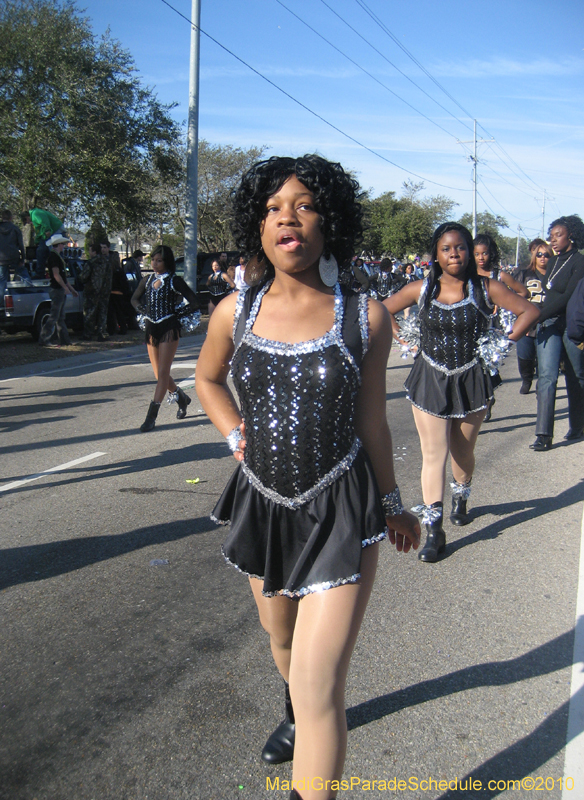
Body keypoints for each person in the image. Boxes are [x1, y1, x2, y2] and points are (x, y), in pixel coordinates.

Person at [195, 155, 420, 800]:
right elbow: (208, 380)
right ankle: (291, 711)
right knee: (282, 638)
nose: (285, 217)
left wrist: (395, 505)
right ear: (257, 228)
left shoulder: (365, 317)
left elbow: (373, 421)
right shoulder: (233, 313)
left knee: (322, 684)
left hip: (342, 511)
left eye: (302, 204)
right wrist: (236, 434)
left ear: (330, 222)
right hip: (263, 503)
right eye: (271, 208)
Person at [384, 222, 539, 562]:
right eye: (446, 249)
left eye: (460, 248)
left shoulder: (487, 288)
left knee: (462, 452)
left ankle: (462, 494)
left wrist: (503, 341)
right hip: (429, 378)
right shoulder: (421, 289)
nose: (454, 253)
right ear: (436, 255)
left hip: (472, 379)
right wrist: (404, 337)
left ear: (469, 252)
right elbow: (379, 309)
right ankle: (434, 530)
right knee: (433, 454)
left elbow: (530, 310)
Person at [529, 215, 584, 451]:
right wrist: (539, 316)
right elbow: (549, 295)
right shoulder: (552, 263)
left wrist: (537, 315)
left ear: (570, 235)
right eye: (551, 236)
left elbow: (567, 297)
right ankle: (543, 434)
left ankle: (578, 425)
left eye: (558, 235)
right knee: (547, 376)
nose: (553, 241)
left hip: (571, 324)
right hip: (549, 323)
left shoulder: (579, 262)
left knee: (576, 375)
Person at [131, 245, 199, 432]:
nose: (154, 263)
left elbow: (193, 301)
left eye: (159, 260)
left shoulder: (174, 280)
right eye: (153, 259)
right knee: (158, 374)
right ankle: (182, 397)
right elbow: (134, 299)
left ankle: (151, 416)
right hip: (152, 329)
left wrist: (178, 314)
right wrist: (142, 310)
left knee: (162, 373)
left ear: (166, 262)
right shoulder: (147, 279)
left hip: (169, 328)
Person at [473, 233, 529, 421]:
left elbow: (523, 292)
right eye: (477, 254)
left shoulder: (499, 275)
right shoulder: (467, 274)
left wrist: (505, 303)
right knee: (474, 369)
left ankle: (487, 400)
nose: (481, 258)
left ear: (492, 254)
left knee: (489, 368)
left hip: (493, 329)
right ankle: (482, 400)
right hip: (473, 327)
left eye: (485, 253)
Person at [514, 241, 553, 393]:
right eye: (539, 255)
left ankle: (541, 383)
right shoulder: (523, 273)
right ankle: (526, 378)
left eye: (546, 255)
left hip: (548, 321)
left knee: (544, 358)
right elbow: (513, 296)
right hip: (527, 322)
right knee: (525, 355)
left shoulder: (555, 274)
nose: (543, 258)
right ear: (534, 256)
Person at [38, 234, 79, 347]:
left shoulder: (58, 257)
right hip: (57, 289)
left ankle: (65, 340)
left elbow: (63, 277)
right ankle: (44, 338)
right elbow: (56, 275)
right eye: (63, 244)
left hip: (60, 288)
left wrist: (71, 289)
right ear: (59, 244)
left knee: (60, 317)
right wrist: (65, 288)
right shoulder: (53, 257)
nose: (64, 246)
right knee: (54, 316)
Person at [0, 210, 33, 301]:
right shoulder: (15, 228)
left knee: (2, 281)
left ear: (2, 218)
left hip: (0, 258)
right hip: (14, 257)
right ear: (11, 218)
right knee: (23, 274)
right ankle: (30, 292)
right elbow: (21, 245)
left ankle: (1, 301)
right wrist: (22, 258)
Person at [80, 240, 112, 341]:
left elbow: (83, 277)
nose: (89, 253)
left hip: (92, 291)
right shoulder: (107, 262)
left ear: (94, 252)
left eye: (90, 251)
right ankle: (102, 333)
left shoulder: (91, 263)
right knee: (103, 313)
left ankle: (88, 334)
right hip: (105, 292)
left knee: (89, 313)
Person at [29, 208, 64, 279]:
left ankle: (59, 273)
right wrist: (37, 241)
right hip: (49, 232)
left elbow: (45, 222)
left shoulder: (35, 214)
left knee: (53, 251)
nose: (29, 223)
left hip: (55, 230)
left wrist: (48, 230)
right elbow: (40, 233)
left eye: (27, 221)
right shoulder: (35, 218)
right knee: (41, 251)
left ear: (27, 217)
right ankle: (41, 273)